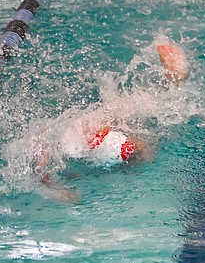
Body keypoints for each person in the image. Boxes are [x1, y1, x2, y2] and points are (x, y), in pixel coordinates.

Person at [30, 39, 190, 203]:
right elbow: (40, 149)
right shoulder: (70, 137)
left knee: (143, 118)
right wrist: (50, 185)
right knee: (144, 117)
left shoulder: (92, 129)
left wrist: (51, 186)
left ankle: (175, 77)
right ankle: (175, 77)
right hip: (104, 141)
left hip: (112, 136)